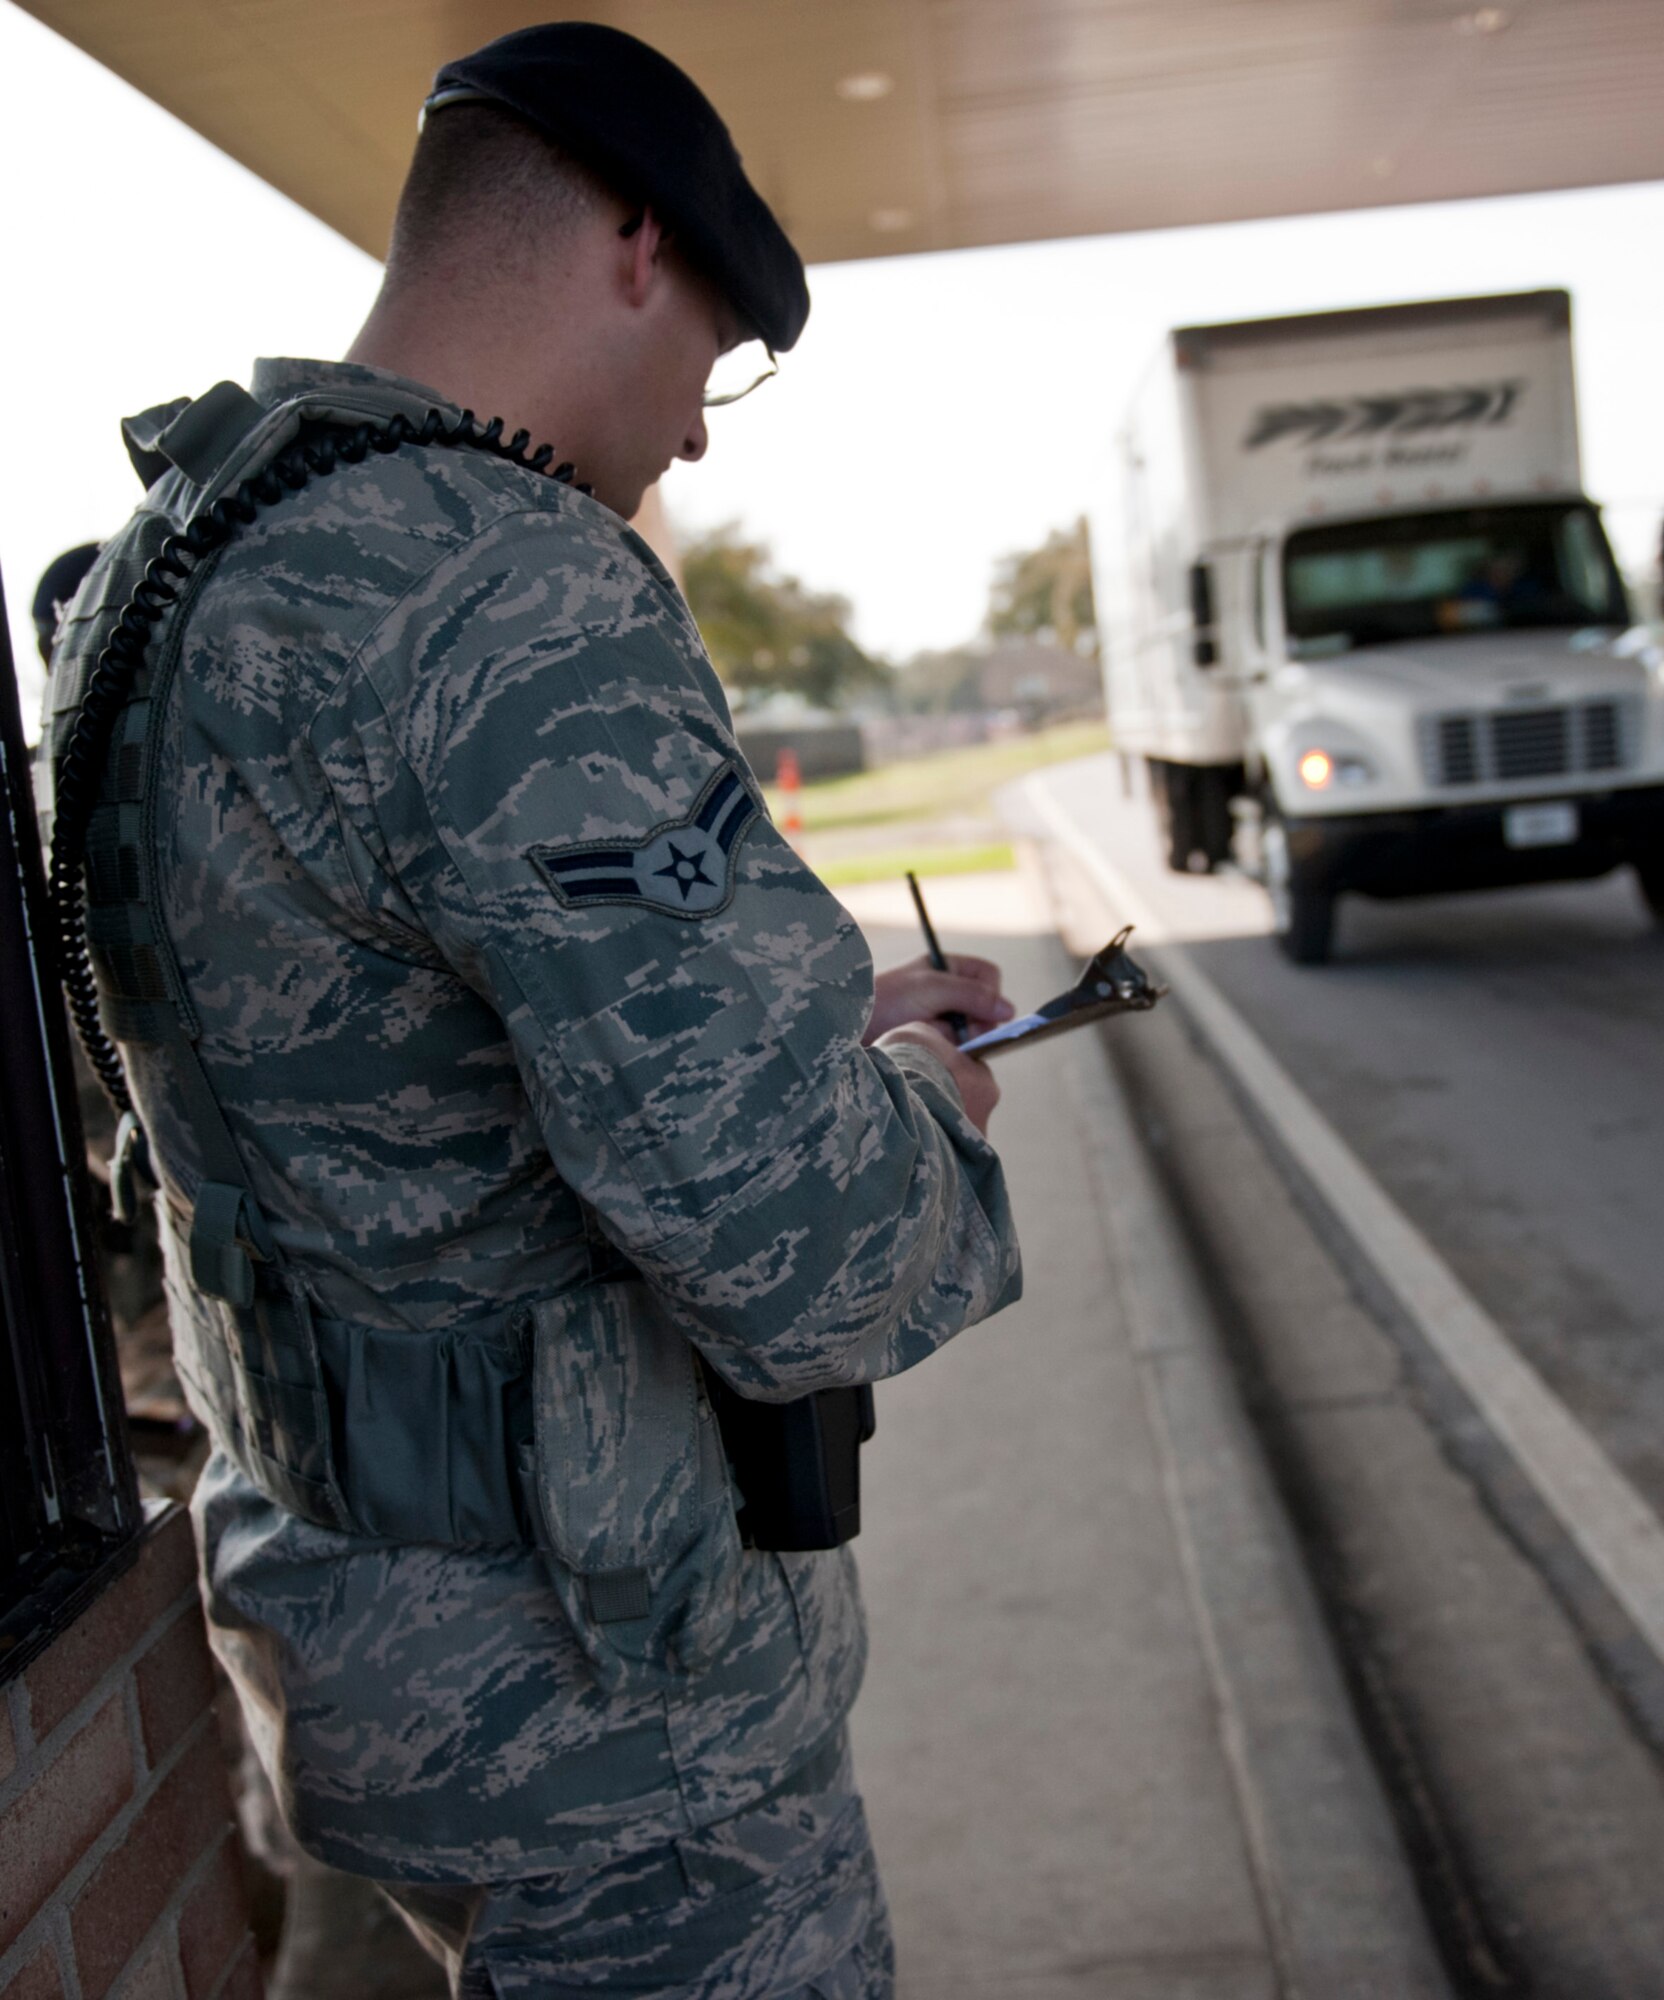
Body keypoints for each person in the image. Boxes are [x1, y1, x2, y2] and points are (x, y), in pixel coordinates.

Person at [41, 23, 1022, 1997]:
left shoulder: (155, 573)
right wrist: (921, 1083)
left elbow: (349, 1072)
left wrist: (782, 1041)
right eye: (722, 357)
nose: (701, 430)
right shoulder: (505, 593)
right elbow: (802, 1254)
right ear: (639, 247)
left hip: (341, 1638)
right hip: (607, 1723)